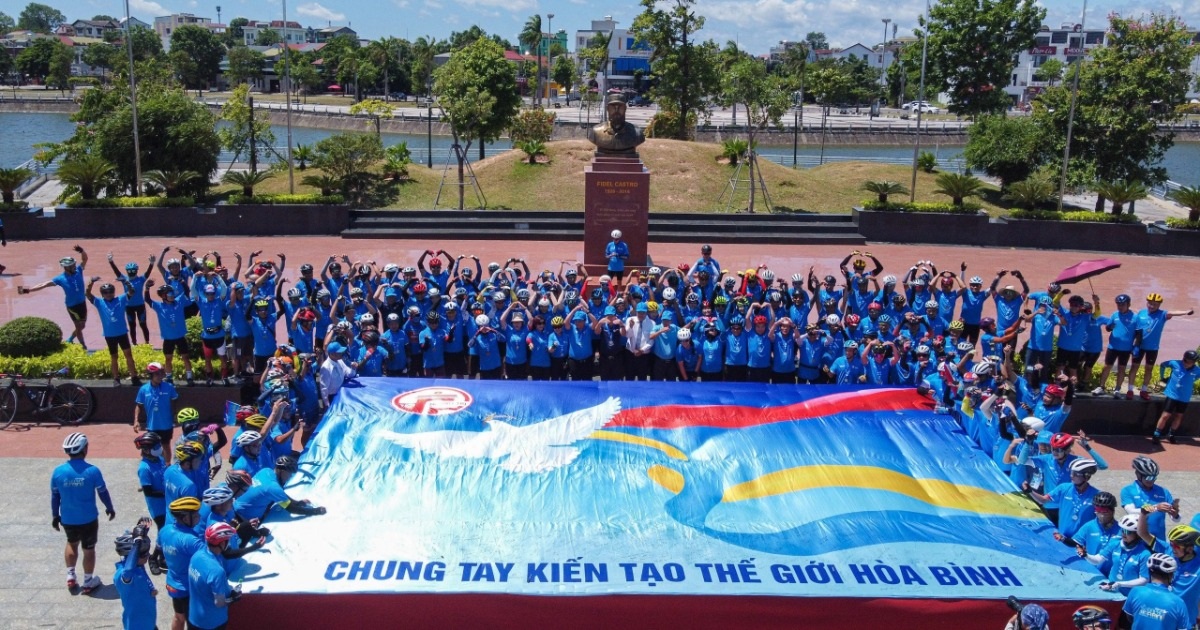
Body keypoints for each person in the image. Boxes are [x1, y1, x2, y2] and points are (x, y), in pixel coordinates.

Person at [51, 432, 115, 594]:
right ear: (84, 449)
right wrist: (109, 507)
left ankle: (70, 575)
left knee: (71, 543)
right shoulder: (93, 471)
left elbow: (55, 496)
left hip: (68, 518)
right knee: (88, 549)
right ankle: (88, 580)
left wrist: (54, 515)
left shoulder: (58, 472)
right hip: (88, 518)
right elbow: (103, 492)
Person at [18, 245, 90, 349]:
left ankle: (70, 339)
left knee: (82, 326)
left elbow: (85, 259)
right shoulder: (60, 279)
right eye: (72, 265)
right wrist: (28, 290)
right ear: (66, 267)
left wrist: (82, 251)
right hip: (72, 306)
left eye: (74, 264)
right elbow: (44, 284)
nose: (75, 266)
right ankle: (84, 346)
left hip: (82, 303)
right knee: (79, 327)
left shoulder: (79, 270)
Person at [1128, 293, 1193, 401]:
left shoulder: (1162, 314)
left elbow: (1173, 312)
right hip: (1139, 346)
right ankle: (1130, 390)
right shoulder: (1141, 313)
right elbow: (1135, 328)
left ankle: (1144, 390)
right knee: (1134, 367)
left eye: (1154, 304)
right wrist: (1132, 345)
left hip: (1152, 348)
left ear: (1159, 305)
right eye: (1150, 303)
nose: (1151, 306)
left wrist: (1186, 312)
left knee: (1149, 369)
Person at [1024, 458, 1100, 545]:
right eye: (1071, 472)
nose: (1071, 476)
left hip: (1082, 543)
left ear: (1086, 476)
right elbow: (1043, 500)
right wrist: (1030, 491)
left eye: (1075, 474)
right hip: (1062, 539)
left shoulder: (1097, 495)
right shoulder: (1063, 488)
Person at [234, 456, 327, 523]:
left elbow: (280, 494)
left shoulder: (266, 471)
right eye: (290, 474)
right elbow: (291, 509)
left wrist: (298, 502)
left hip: (235, 508)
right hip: (244, 518)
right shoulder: (273, 487)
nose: (290, 477)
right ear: (282, 471)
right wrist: (315, 511)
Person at [86, 275, 141, 386]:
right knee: (114, 356)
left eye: (110, 292)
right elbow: (87, 294)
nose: (108, 294)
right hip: (109, 335)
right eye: (106, 293)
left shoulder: (121, 299)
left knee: (128, 355)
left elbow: (132, 292)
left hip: (122, 333)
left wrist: (126, 282)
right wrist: (91, 282)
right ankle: (116, 379)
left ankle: (134, 377)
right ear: (102, 294)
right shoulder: (99, 302)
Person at [188, 523, 243, 630]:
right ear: (222, 543)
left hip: (194, 617)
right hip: (212, 622)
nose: (229, 544)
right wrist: (232, 599)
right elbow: (219, 603)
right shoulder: (217, 571)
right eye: (228, 541)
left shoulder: (197, 556)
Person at [160, 497, 204, 630]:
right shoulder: (190, 540)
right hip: (188, 588)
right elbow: (209, 559)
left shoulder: (165, 530)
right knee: (193, 623)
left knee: (178, 617)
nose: (199, 516)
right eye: (195, 514)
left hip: (173, 583)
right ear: (185, 518)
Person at [1119, 553, 1190, 630]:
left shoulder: (1135, 591)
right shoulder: (1178, 602)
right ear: (1171, 575)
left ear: (1149, 571)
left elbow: (1130, 617)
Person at [113, 518, 158, 630]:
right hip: (137, 625)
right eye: (144, 554)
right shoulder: (124, 574)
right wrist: (137, 542)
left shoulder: (138, 567)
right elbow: (128, 570)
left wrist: (141, 532)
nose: (148, 555)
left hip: (148, 622)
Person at [1122, 456, 1180, 542]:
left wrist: (1175, 514)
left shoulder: (1163, 492)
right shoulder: (1128, 490)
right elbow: (1131, 511)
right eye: (1148, 477)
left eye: (1154, 477)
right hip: (1137, 541)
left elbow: (1176, 519)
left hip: (1158, 540)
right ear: (1138, 474)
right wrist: (1156, 508)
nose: (1151, 480)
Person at [133, 432, 168, 575]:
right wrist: (167, 492)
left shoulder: (159, 459)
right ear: (146, 450)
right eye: (156, 446)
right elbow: (149, 492)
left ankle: (163, 556)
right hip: (158, 507)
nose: (160, 448)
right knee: (163, 530)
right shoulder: (144, 468)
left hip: (167, 502)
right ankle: (154, 558)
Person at [134, 362, 179, 462]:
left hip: (166, 424)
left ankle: (167, 466)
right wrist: (136, 421)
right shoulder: (143, 389)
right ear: (151, 375)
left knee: (166, 445)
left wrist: (175, 414)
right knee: (151, 446)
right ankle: (153, 465)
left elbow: (174, 400)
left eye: (161, 373)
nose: (160, 376)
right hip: (152, 425)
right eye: (157, 374)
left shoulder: (169, 387)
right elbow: (139, 405)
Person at [1094, 294, 1137, 397]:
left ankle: (1117, 389)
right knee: (1107, 366)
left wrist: (1136, 346)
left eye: (1123, 304)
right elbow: (1108, 328)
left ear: (1128, 304)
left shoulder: (1135, 317)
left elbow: (1138, 333)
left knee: (1121, 368)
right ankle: (1101, 387)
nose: (1120, 307)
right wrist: (1109, 327)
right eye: (1118, 304)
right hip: (1112, 346)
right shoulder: (1114, 315)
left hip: (1126, 349)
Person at [1153, 350, 1200, 444]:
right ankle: (1157, 434)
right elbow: (1163, 365)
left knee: (1179, 415)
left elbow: (1196, 377)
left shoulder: (1197, 370)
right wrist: (1163, 377)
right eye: (1186, 361)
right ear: (1184, 359)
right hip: (1172, 395)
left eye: (1191, 362)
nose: (1187, 364)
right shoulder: (1175, 363)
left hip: (1184, 397)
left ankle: (1171, 434)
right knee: (1166, 415)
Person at [107, 253, 153, 346]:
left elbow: (148, 273)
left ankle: (147, 343)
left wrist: (151, 263)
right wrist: (111, 261)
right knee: (132, 326)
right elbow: (117, 272)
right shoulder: (124, 279)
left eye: (133, 270)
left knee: (143, 324)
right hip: (129, 307)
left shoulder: (141, 279)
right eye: (129, 270)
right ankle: (134, 343)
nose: (131, 272)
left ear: (136, 271)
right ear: (127, 271)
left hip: (140, 306)